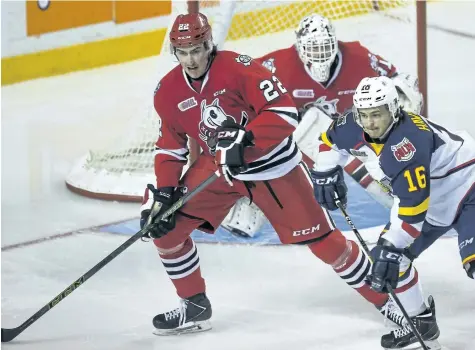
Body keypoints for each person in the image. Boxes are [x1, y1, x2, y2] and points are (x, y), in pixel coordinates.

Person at [141, 12, 399, 337]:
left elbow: (285, 111)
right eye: (184, 51)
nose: (192, 59)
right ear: (174, 52)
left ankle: (389, 301)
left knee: (326, 244)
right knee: (165, 230)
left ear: (209, 43)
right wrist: (165, 193)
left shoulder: (241, 68)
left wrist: (247, 138)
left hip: (273, 166)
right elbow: (170, 147)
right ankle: (194, 306)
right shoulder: (167, 90)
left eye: (197, 49)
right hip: (218, 169)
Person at [222, 13, 423, 238]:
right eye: (313, 48)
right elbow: (238, 91)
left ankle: (406, 194)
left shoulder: (359, 58)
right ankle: (255, 199)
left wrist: (404, 96)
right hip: (298, 141)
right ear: (299, 47)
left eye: (325, 47)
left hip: (353, 131)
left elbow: (397, 80)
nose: (320, 55)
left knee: (379, 150)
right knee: (304, 125)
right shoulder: (277, 65)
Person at [312, 75, 475, 349]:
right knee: (391, 261)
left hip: (467, 186)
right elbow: (329, 141)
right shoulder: (353, 124)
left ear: (393, 110)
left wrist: (390, 246)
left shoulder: (406, 144)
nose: (370, 122)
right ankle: (420, 323)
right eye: (364, 115)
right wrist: (324, 171)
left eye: (377, 114)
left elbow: (412, 210)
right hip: (432, 200)